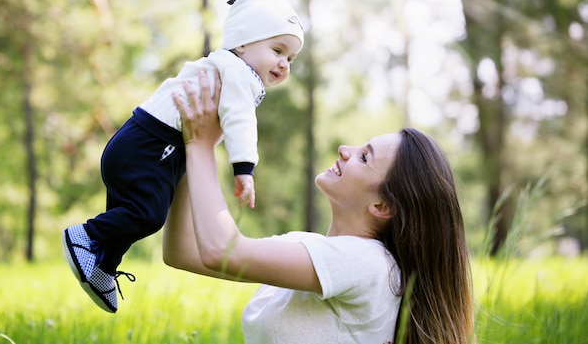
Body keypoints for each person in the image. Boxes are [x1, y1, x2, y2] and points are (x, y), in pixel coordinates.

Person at [163, 71, 475, 344]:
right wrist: (189, 146)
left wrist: (200, 145)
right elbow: (184, 252)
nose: (344, 150)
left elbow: (223, 251)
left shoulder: (370, 264)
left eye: (364, 158)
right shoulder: (308, 247)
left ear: (381, 205)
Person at [62, 0, 305, 313]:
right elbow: (240, 120)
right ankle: (85, 235)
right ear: (243, 42)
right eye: (277, 50)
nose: (283, 64)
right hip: (150, 144)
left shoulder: (228, 69)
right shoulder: (237, 71)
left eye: (290, 59)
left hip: (150, 145)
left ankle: (102, 264)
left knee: (137, 213)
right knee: (147, 214)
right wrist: (244, 168)